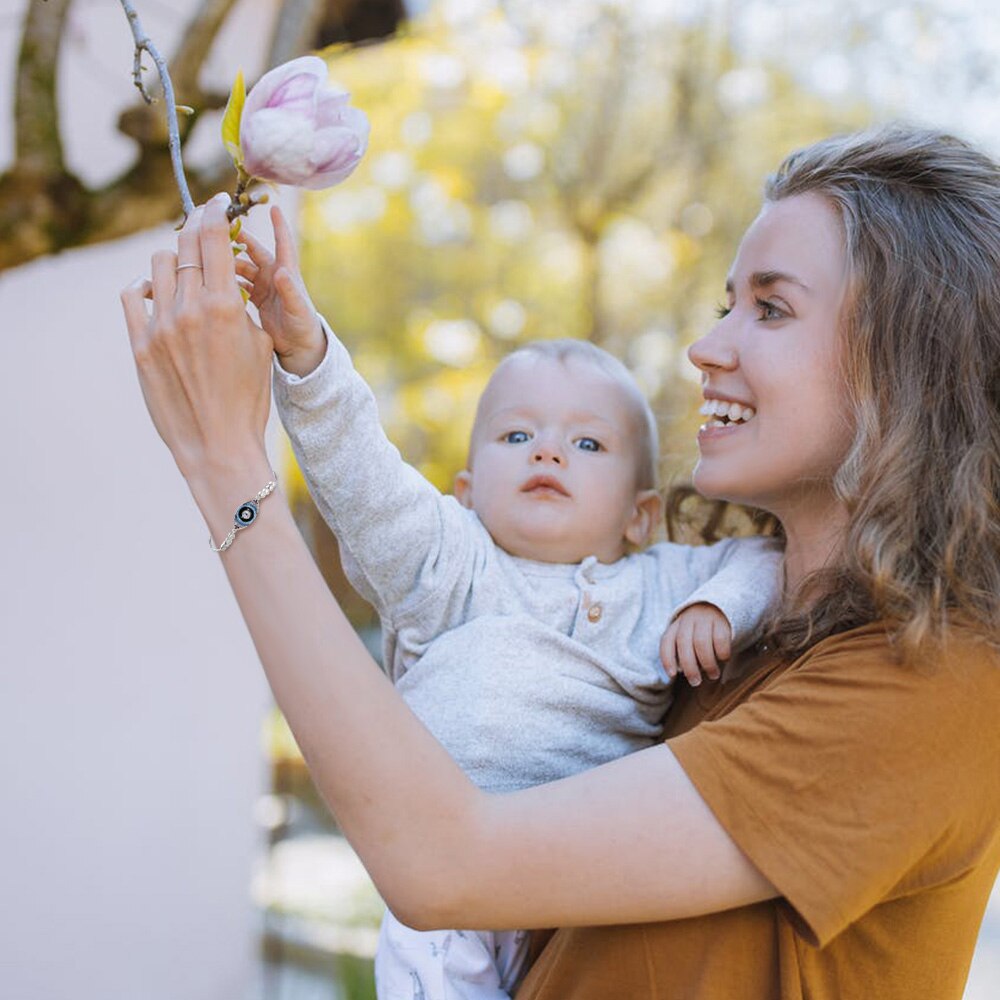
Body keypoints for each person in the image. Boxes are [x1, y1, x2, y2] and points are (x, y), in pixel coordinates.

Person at [121, 123, 1000, 999]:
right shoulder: (709, 640)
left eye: (770, 309)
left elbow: (443, 862)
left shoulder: (938, 683)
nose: (708, 347)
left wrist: (227, 465)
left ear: (908, 368)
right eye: (725, 304)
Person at [255, 286, 780, 997]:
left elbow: (769, 560)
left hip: (575, 889)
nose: (549, 452)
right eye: (517, 436)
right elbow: (362, 476)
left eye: (587, 442)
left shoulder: (662, 585)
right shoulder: (445, 564)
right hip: (440, 889)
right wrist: (308, 357)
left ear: (640, 514)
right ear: (466, 493)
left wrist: (720, 605)